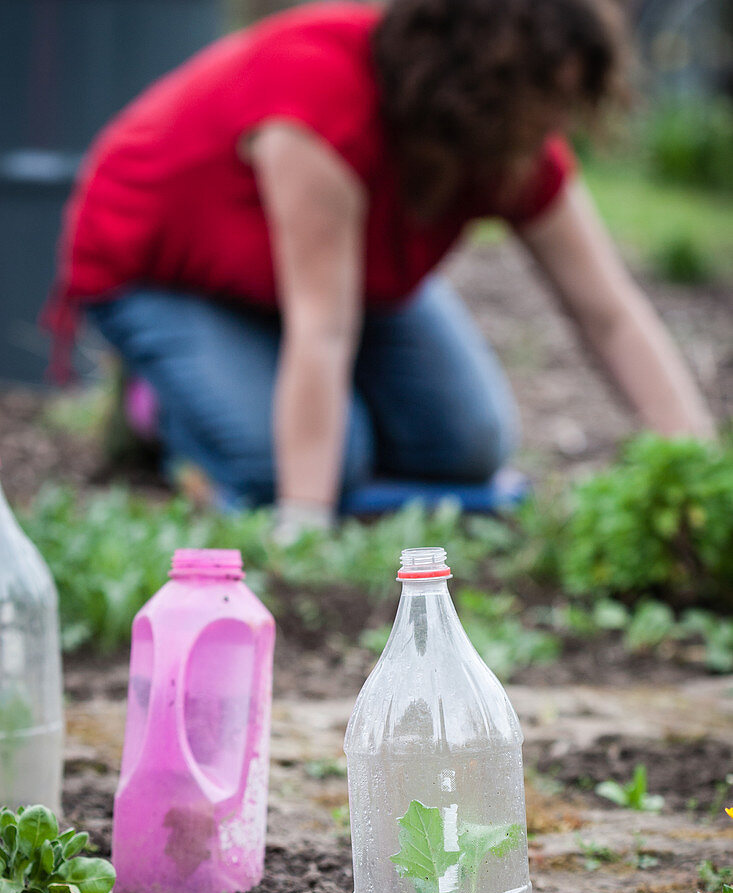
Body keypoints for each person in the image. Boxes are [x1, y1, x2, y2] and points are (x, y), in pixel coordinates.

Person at [45, 0, 715, 540]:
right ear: (479, 84)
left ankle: (256, 383)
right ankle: (157, 411)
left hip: (332, 279)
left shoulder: (512, 147)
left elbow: (609, 314)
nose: (555, 124)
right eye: (545, 99)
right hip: (166, 266)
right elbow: (322, 329)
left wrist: (697, 474)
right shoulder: (320, 100)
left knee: (468, 447)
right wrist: (304, 518)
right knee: (307, 468)